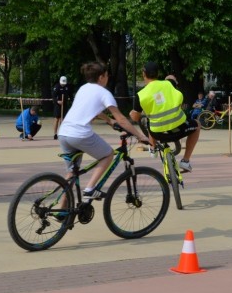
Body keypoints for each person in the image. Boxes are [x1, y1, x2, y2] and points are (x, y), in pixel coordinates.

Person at [58, 62, 148, 200]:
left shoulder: (83, 88)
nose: (107, 78)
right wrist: (140, 136)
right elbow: (122, 120)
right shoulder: (105, 93)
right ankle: (90, 188)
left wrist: (109, 120)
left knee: (71, 174)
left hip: (63, 133)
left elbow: (93, 110)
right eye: (107, 75)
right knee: (108, 155)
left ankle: (63, 213)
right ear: (101, 77)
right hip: (79, 134)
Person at [129, 61, 201, 172]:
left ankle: (153, 149)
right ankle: (185, 161)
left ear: (144, 74)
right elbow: (170, 78)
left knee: (149, 118)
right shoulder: (168, 84)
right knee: (197, 125)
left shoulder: (141, 95)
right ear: (158, 74)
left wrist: (132, 113)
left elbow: (135, 118)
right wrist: (172, 79)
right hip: (179, 129)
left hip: (158, 134)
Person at [53, 76, 72, 140]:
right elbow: (54, 96)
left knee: (63, 120)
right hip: (58, 105)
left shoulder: (67, 87)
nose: (63, 84)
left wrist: (72, 100)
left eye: (64, 83)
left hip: (65, 104)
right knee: (57, 119)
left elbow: (70, 95)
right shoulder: (57, 87)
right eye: (62, 83)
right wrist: (57, 101)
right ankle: (55, 134)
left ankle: (62, 133)